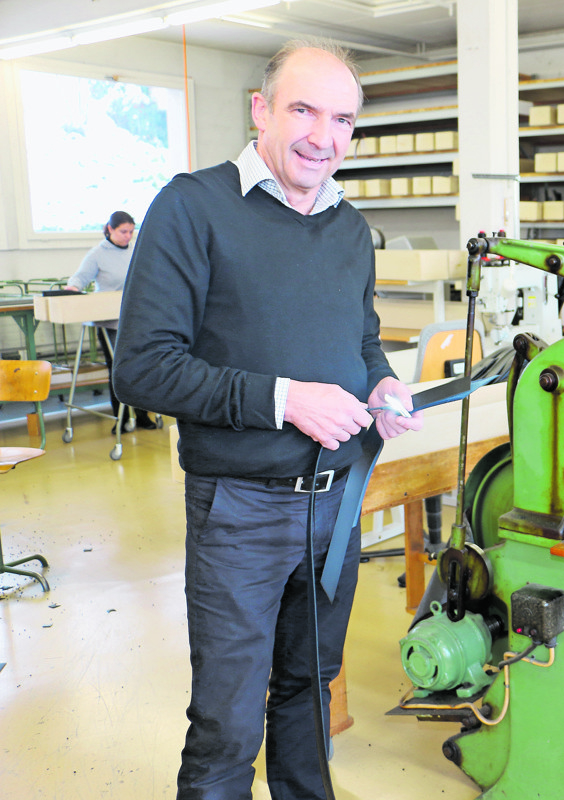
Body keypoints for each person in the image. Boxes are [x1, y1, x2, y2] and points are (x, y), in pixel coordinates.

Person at [113, 39, 423, 800]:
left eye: (343, 119)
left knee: (309, 695)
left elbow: (360, 339)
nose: (324, 136)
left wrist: (381, 386)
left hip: (336, 507)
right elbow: (144, 367)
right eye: (304, 110)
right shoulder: (192, 207)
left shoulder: (351, 228)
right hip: (239, 512)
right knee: (225, 724)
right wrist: (287, 398)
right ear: (260, 111)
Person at [64, 210, 155, 432]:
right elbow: (80, 277)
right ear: (110, 229)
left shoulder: (136, 251)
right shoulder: (97, 254)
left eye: (132, 232)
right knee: (118, 368)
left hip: (136, 319)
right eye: (123, 231)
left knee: (143, 365)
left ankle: (142, 415)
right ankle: (121, 419)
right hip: (110, 323)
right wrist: (72, 288)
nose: (128, 236)